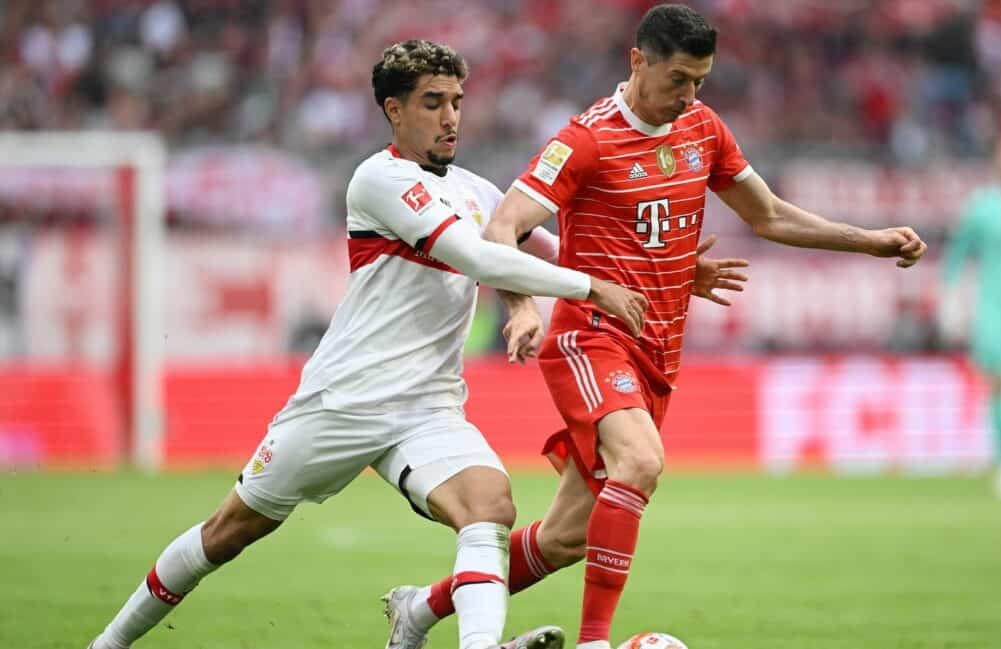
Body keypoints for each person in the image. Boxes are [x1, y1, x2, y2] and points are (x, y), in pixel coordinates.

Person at [386, 6, 928, 649]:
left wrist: (870, 241)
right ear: (638, 61)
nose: (689, 95)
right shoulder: (586, 139)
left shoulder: (703, 128)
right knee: (641, 461)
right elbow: (504, 225)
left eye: (700, 80)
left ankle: (419, 609)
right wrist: (522, 307)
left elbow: (770, 216)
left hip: (657, 355)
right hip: (590, 338)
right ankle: (595, 641)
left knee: (566, 539)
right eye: (678, 79)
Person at [86, 39, 652, 649]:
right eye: (432, 103)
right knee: (229, 531)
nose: (450, 117)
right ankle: (108, 643)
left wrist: (650, 273)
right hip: (343, 400)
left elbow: (544, 253)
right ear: (394, 110)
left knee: (489, 505)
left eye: (457, 101)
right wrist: (590, 288)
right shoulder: (379, 179)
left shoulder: (477, 190)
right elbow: (477, 256)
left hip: (427, 405)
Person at [944, 132, 1001, 501]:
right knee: (999, 382)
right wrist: (950, 297)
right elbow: (958, 252)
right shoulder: (982, 206)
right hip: (995, 307)